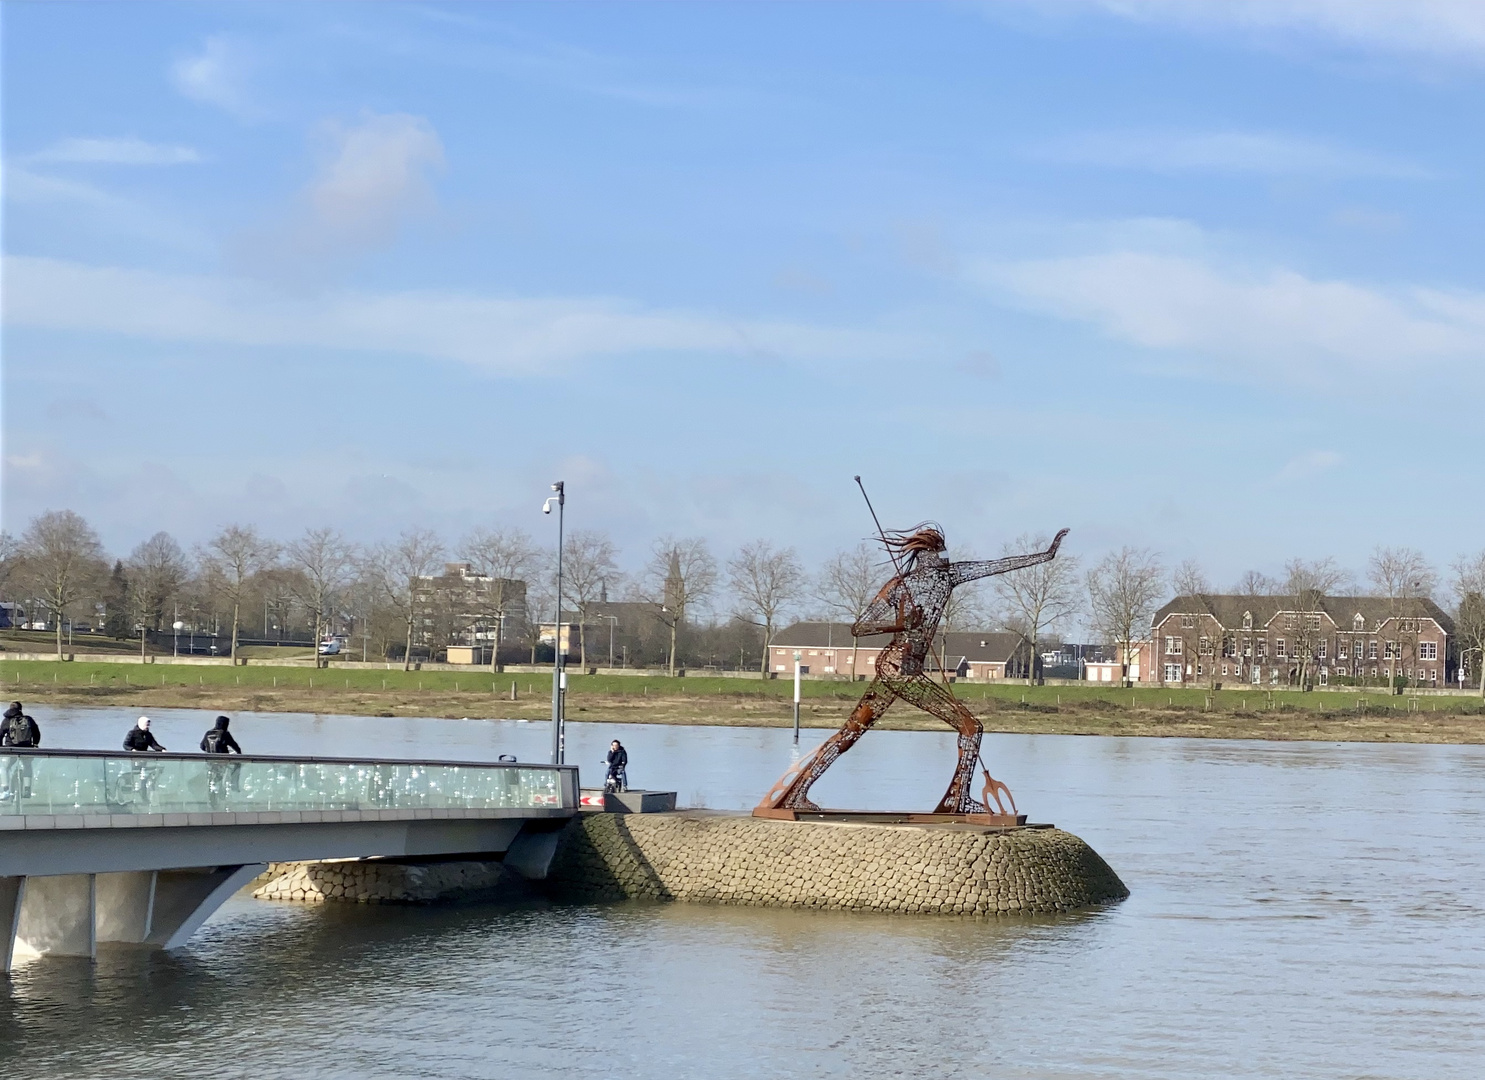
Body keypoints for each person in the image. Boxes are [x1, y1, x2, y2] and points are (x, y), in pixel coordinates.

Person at [758, 524, 1067, 816]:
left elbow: (995, 565)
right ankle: (956, 801)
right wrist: (901, 624)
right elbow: (860, 628)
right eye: (938, 554)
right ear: (924, 556)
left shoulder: (949, 577)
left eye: (944, 554)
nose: (943, 559)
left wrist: (1046, 555)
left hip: (905, 668)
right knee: (971, 727)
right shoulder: (899, 586)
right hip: (898, 668)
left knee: (851, 732)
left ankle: (798, 793)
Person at [0, 701, 40, 801]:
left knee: (4, 767)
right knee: (27, 766)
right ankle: (27, 789)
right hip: (27, 749)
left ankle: (5, 790)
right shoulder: (28, 719)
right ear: (21, 710)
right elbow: (36, 733)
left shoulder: (7, 720)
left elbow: (0, 735)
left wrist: (1, 747)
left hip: (10, 749)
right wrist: (35, 744)